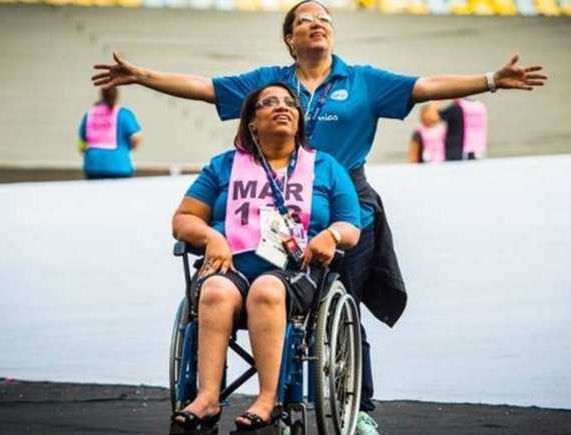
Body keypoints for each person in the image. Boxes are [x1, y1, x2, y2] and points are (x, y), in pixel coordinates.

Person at [91, 2, 546, 431]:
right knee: (249, 294)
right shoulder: (270, 84)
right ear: (290, 38)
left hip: (340, 201)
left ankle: (359, 409)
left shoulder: (362, 80)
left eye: (324, 17)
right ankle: (253, 398)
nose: (317, 22)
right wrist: (141, 76)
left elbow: (425, 87)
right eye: (305, 19)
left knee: (341, 304)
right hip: (271, 205)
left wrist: (490, 78)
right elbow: (204, 88)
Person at [170, 83, 361, 432]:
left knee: (267, 290)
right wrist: (212, 236)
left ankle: (268, 399)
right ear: (252, 122)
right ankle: (208, 396)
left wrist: (331, 235)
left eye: (290, 103)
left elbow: (351, 225)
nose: (282, 107)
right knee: (213, 291)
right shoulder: (223, 166)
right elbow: (182, 220)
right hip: (231, 266)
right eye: (269, 103)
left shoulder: (326, 167)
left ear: (300, 119)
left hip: (296, 272)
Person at [78, 87, 143, 179]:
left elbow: (81, 143)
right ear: (117, 96)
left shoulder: (90, 114)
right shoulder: (124, 114)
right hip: (119, 165)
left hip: (93, 165)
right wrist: (127, 149)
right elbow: (136, 137)